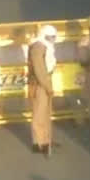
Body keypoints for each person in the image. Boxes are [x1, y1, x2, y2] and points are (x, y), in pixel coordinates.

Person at [28, 25, 58, 157]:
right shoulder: (38, 47)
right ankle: (38, 142)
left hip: (45, 80)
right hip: (40, 83)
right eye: (51, 37)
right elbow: (40, 70)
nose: (53, 39)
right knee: (39, 114)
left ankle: (46, 140)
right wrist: (48, 86)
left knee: (46, 113)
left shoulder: (44, 46)